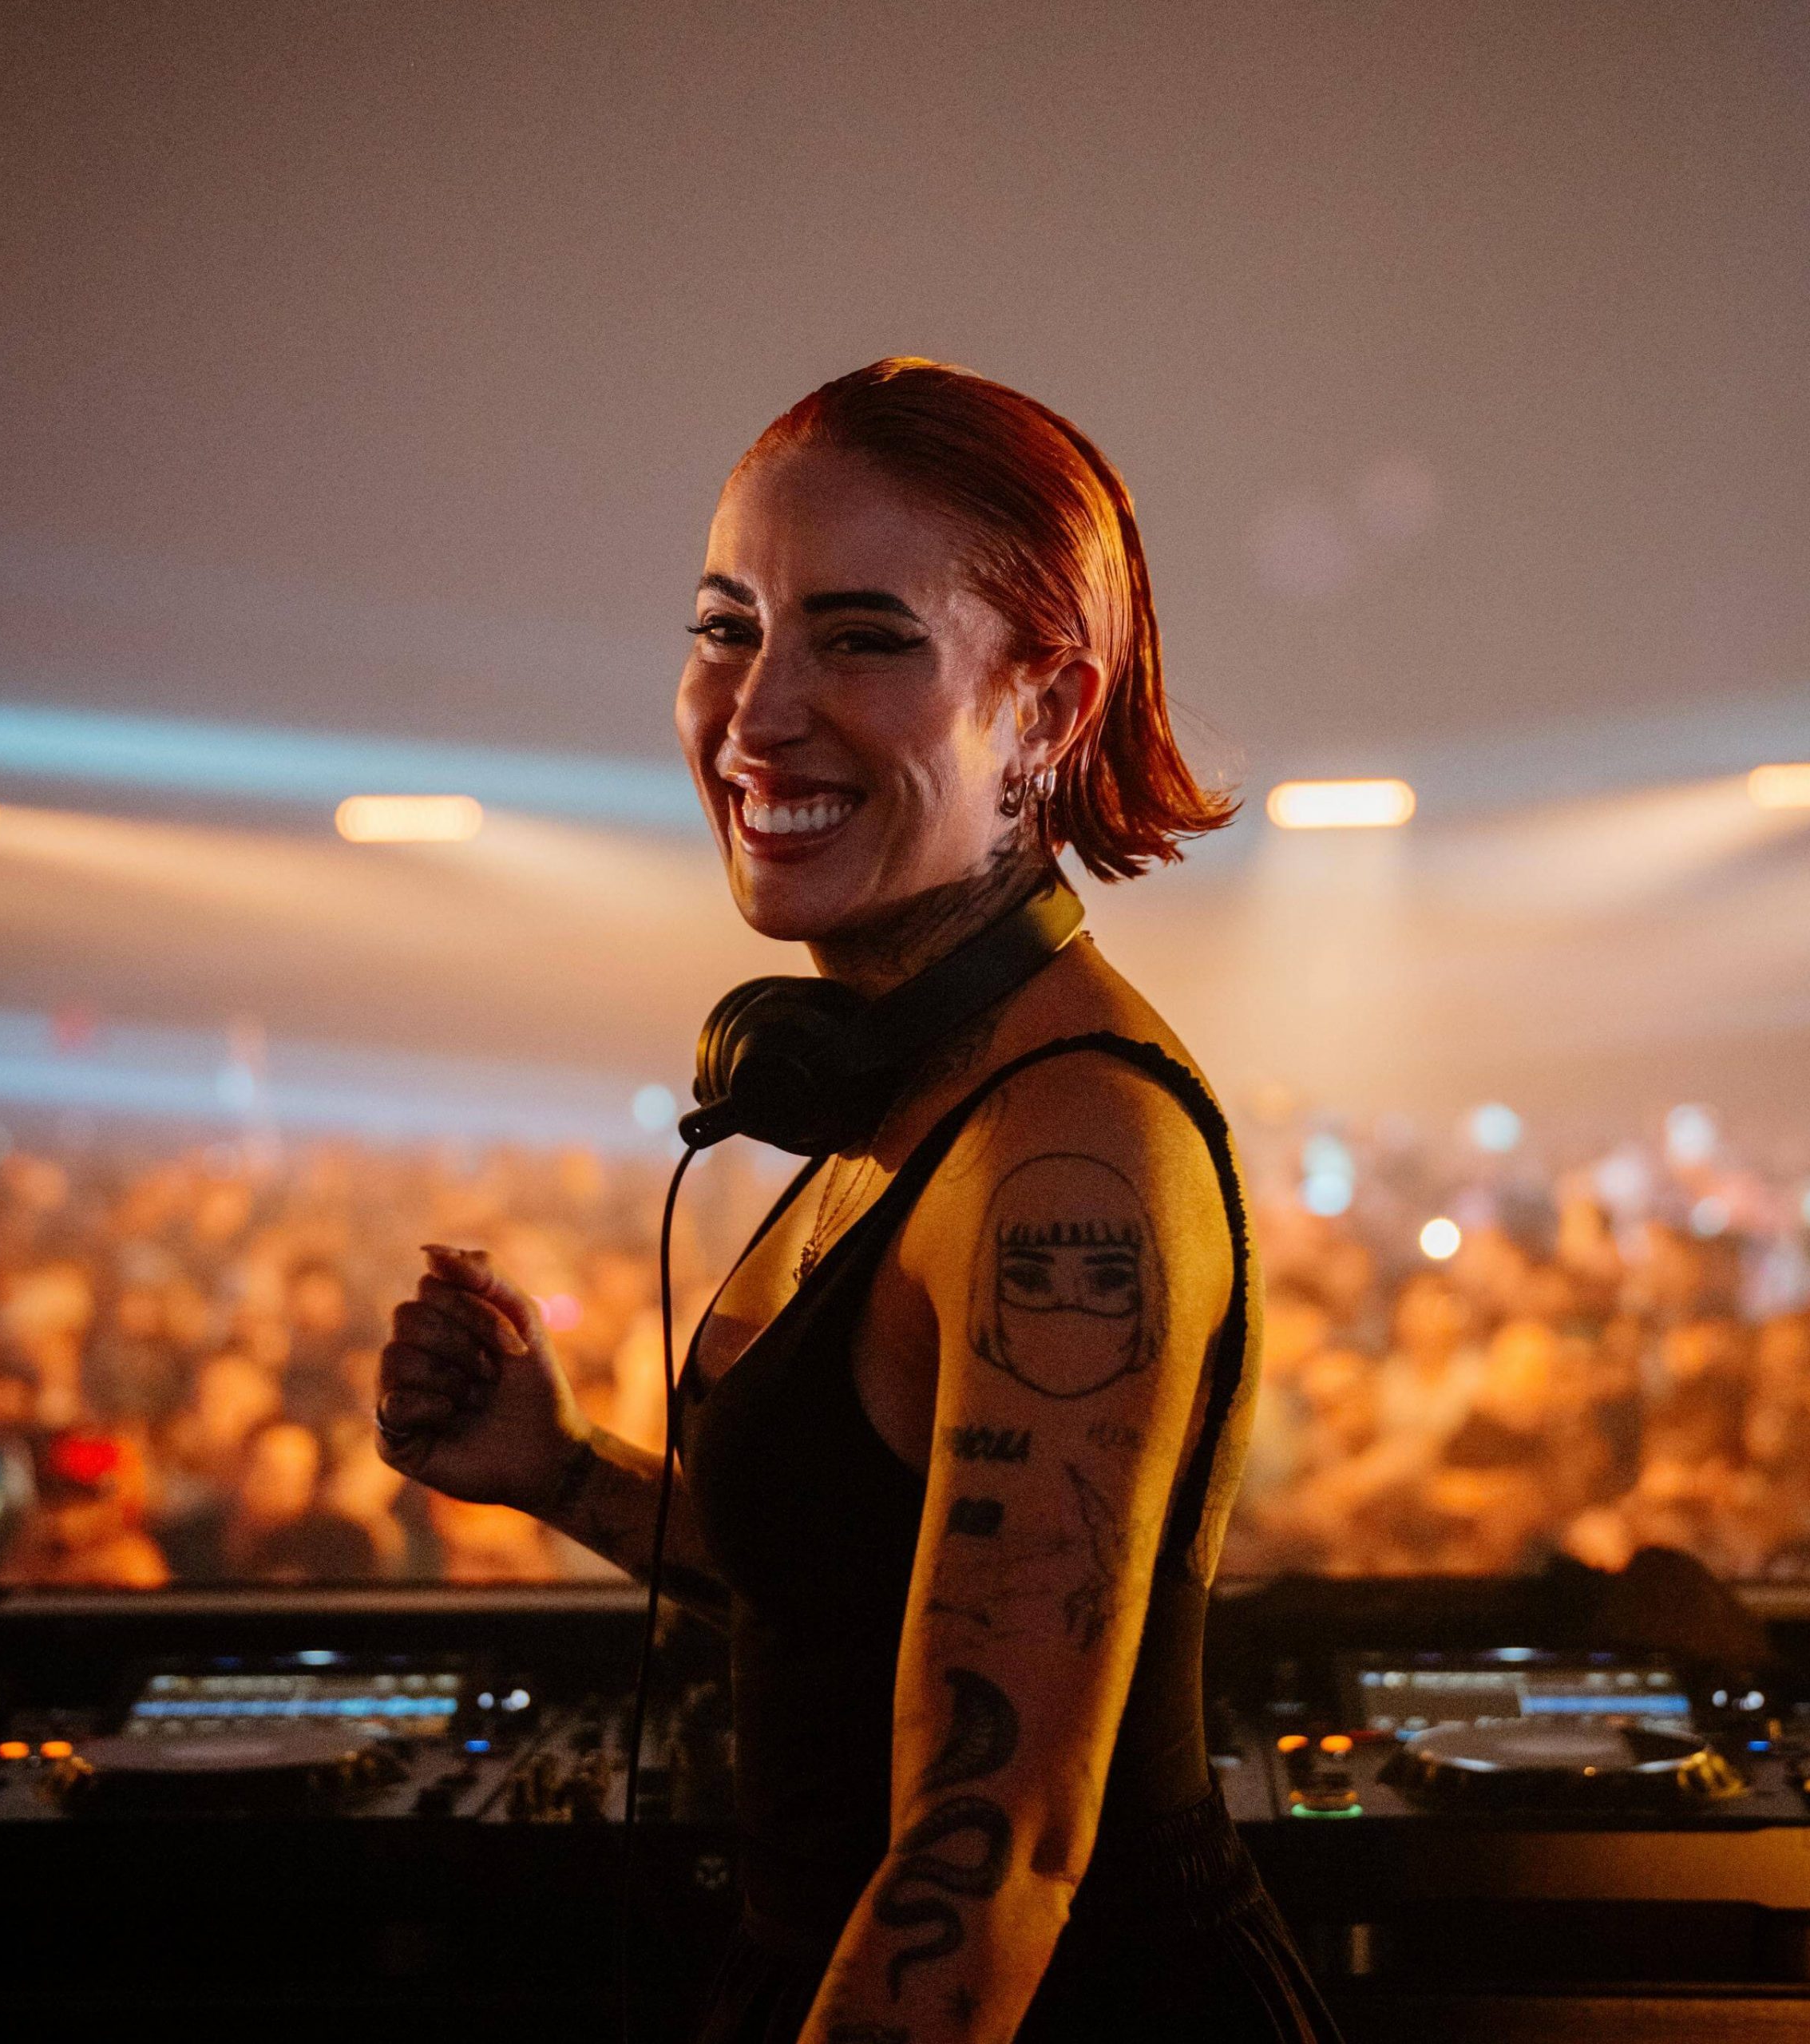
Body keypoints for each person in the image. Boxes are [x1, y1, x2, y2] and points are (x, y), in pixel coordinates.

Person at [374, 359, 1333, 2042]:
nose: (755, 714)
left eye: (862, 639)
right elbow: (866, 1606)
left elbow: (998, 1845)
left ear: (1045, 708)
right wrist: (564, 1469)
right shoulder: (908, 1083)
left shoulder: (1068, 1155)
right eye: (726, 627)